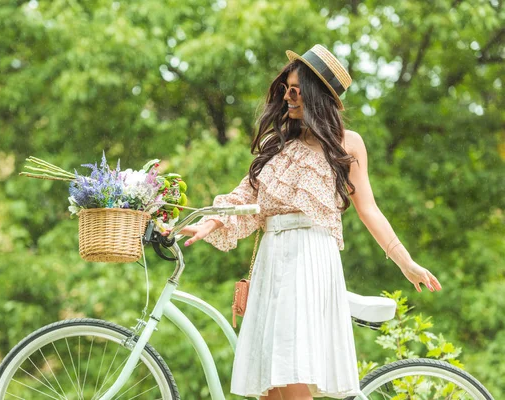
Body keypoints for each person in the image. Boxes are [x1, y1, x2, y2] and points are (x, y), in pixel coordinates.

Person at [165, 44, 442, 399]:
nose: (287, 96)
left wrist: (406, 262)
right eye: (285, 88)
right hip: (272, 260)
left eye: (295, 89)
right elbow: (245, 197)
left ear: (316, 95)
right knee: (270, 387)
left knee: (292, 374)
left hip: (309, 259)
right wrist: (211, 223)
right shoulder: (277, 144)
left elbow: (369, 209)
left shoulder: (347, 144)